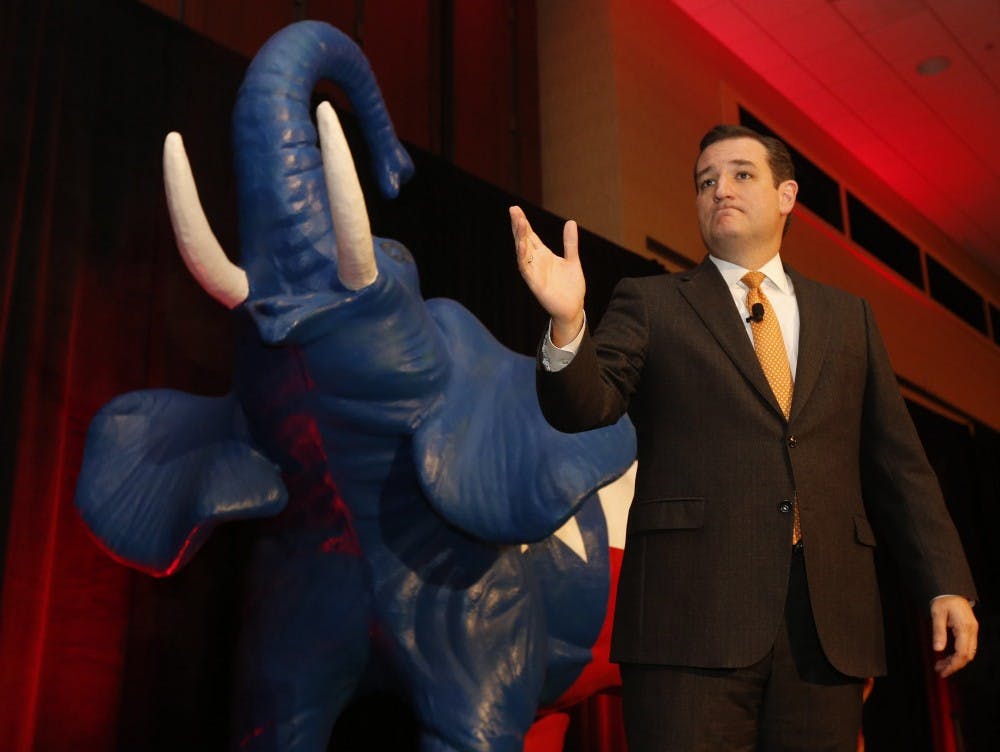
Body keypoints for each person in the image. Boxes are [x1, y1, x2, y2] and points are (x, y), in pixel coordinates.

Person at [510, 124, 978, 751]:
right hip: (689, 625)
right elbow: (585, 405)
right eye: (706, 181)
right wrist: (568, 325)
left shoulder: (849, 319)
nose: (719, 190)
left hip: (825, 630)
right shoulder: (654, 303)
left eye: (740, 174)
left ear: (787, 195)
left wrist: (946, 581)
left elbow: (900, 466)